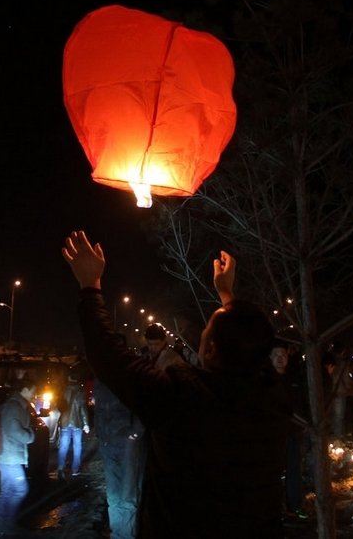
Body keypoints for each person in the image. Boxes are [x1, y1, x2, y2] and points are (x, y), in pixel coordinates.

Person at [62, 230, 290, 537]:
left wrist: (90, 286)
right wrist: (227, 295)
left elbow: (109, 356)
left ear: (209, 349)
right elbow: (250, 344)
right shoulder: (273, 398)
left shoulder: (183, 398)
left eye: (207, 330)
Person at [93, 377, 145, 539]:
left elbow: (142, 407)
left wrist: (134, 434)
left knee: (127, 495)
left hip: (125, 445)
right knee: (114, 495)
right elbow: (99, 410)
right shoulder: (101, 381)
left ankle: (126, 535)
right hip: (109, 443)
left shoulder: (127, 377)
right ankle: (118, 534)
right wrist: (101, 436)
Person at [270, 344, 308, 519]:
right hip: (273, 434)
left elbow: (302, 404)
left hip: (293, 432)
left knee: (294, 470)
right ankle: (275, 507)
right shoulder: (266, 381)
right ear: (270, 358)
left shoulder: (295, 379)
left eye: (283, 354)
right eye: (276, 354)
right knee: (273, 471)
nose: (280, 357)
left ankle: (295, 506)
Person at [0, 377, 37, 537]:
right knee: (20, 489)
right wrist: (30, 435)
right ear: (25, 390)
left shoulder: (16, 405)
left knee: (6, 491)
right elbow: (14, 430)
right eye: (33, 391)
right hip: (10, 456)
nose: (35, 394)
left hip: (6, 455)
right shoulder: (14, 406)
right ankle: (8, 523)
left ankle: (2, 525)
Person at [56, 373, 90, 479]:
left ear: (69, 378)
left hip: (65, 421)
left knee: (63, 446)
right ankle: (75, 469)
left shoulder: (63, 389)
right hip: (77, 422)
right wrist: (86, 423)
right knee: (77, 446)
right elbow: (82, 408)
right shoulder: (80, 390)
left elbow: (59, 406)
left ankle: (60, 467)